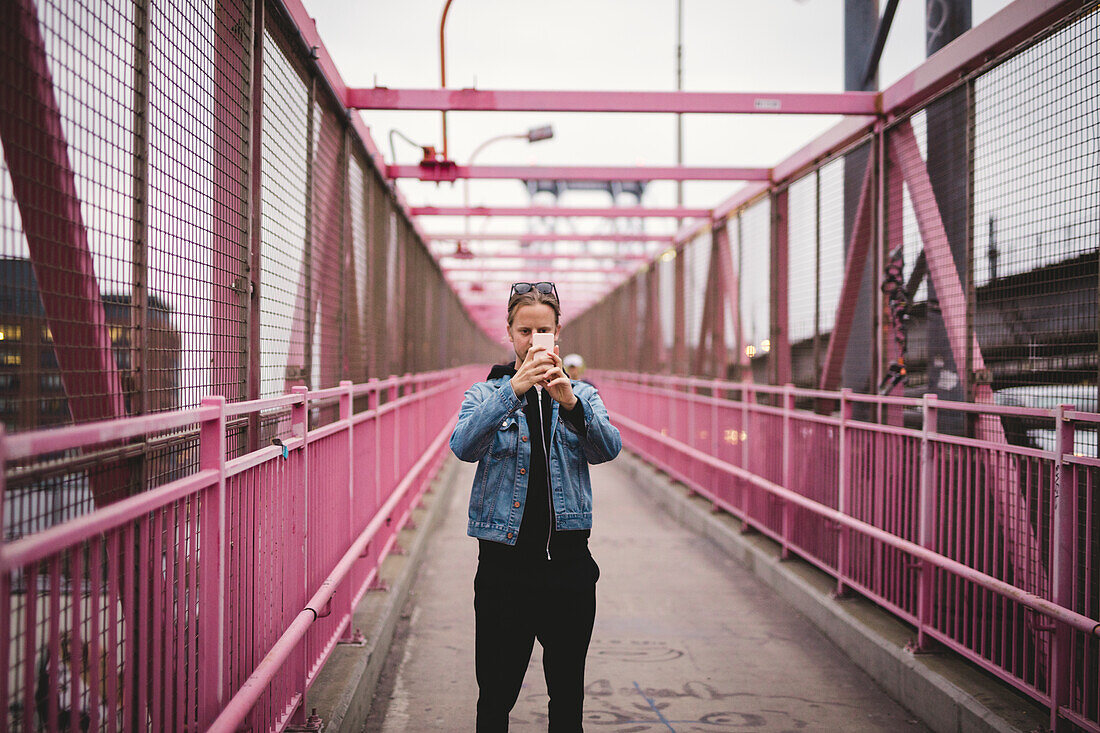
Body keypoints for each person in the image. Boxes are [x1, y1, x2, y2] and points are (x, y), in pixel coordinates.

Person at [450, 281, 622, 732]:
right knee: (495, 699)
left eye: (541, 330)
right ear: (509, 331)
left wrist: (569, 404)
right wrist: (514, 391)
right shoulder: (485, 394)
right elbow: (463, 446)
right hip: (503, 570)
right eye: (524, 330)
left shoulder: (581, 394)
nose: (532, 340)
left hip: (567, 569)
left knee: (567, 699)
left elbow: (608, 449)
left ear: (557, 333)